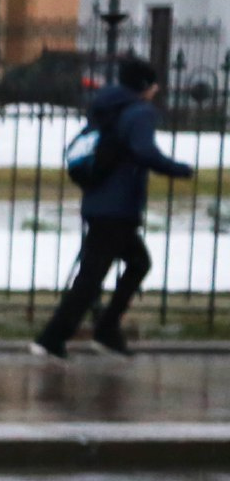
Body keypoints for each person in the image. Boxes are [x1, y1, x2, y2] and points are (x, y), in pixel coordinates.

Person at [35, 53, 194, 360]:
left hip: (99, 202)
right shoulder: (139, 113)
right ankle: (58, 336)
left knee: (129, 265)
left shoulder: (106, 108)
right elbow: (144, 151)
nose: (158, 90)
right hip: (117, 208)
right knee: (98, 274)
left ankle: (101, 331)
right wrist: (179, 169)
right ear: (145, 85)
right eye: (155, 84)